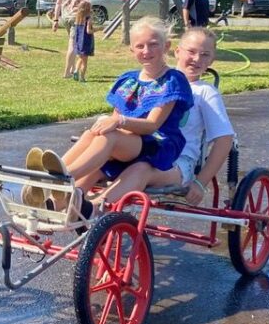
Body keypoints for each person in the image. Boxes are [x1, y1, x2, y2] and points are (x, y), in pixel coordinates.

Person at [27, 17, 192, 210]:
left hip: (157, 143)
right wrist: (109, 123)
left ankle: (63, 177)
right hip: (129, 143)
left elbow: (152, 125)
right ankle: (56, 196)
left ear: (166, 46)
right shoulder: (128, 80)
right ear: (132, 50)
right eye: (140, 46)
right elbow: (115, 118)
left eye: (153, 45)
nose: (146, 51)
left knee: (110, 136)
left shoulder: (172, 80)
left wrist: (118, 121)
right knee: (94, 133)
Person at [99, 28, 235, 206]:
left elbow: (224, 139)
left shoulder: (205, 92)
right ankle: (70, 199)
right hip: (142, 149)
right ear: (177, 51)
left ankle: (96, 208)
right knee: (101, 161)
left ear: (211, 59)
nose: (196, 59)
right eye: (191, 52)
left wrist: (200, 182)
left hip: (178, 163)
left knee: (141, 170)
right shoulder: (159, 81)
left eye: (204, 55)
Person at [51, 0, 89, 78]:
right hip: (77, 17)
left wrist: (56, 19)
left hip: (65, 17)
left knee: (73, 42)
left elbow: (58, 3)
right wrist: (89, 16)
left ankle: (72, 69)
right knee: (72, 44)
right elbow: (85, 1)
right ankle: (67, 72)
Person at [72, 0, 95, 82]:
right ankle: (82, 77)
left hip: (78, 41)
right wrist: (97, 30)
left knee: (80, 58)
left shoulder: (78, 17)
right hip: (86, 41)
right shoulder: (88, 19)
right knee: (85, 61)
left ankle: (75, 71)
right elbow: (88, 31)